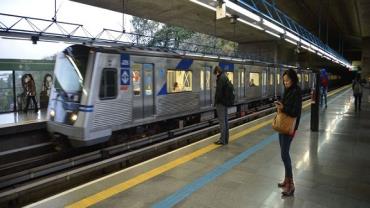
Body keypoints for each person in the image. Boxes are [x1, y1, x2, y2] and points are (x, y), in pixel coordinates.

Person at [274, 69, 302, 196]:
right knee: (283, 154)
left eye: (287, 80)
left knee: (285, 155)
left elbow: (295, 111)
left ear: (293, 79)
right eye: (284, 80)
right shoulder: (288, 91)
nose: (285, 83)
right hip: (283, 126)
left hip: (289, 127)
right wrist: (280, 105)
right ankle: (286, 180)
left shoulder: (296, 92)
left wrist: (283, 107)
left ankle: (291, 184)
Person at [213, 66, 229, 145]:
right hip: (225, 102)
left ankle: (222, 140)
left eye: (215, 74)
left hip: (221, 103)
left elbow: (219, 93)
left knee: (222, 122)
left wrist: (215, 102)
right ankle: (226, 139)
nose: (216, 75)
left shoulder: (220, 79)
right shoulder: (225, 77)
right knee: (225, 121)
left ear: (217, 72)